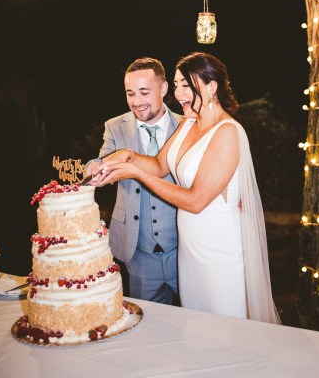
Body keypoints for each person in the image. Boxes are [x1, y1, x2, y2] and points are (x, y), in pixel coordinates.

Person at [89, 52, 280, 324]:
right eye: (176, 85)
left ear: (211, 87)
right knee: (197, 327)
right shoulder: (190, 122)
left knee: (223, 329)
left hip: (217, 249)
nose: (178, 93)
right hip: (190, 251)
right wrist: (127, 155)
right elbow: (157, 164)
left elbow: (196, 200)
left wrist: (135, 173)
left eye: (186, 85)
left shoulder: (228, 132)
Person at [85, 57, 182, 305]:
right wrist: (94, 167)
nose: (136, 102)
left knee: (194, 323)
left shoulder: (186, 126)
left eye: (144, 92)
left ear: (163, 89)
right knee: (146, 325)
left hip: (183, 249)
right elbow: (100, 159)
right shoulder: (115, 126)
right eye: (130, 93)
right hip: (138, 252)